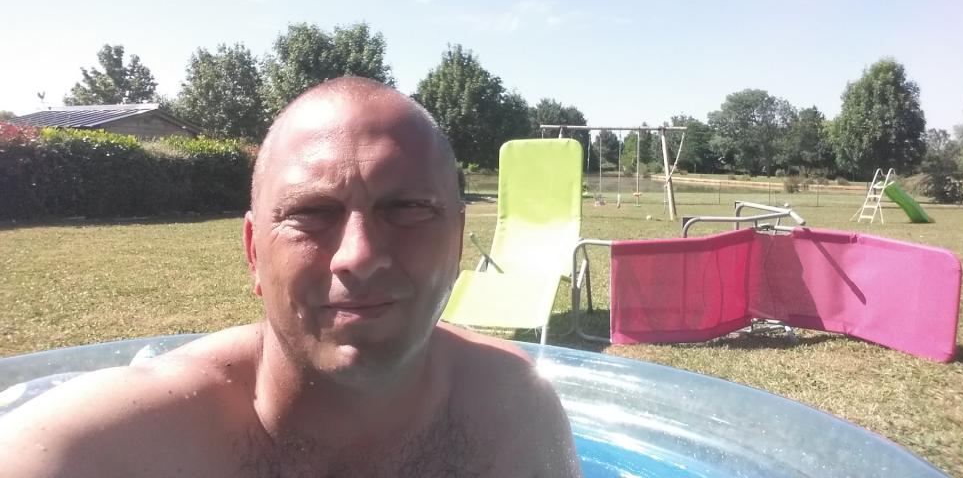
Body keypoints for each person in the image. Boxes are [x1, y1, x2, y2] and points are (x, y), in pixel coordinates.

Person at [0, 77, 581, 477]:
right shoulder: (108, 449)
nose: (358, 256)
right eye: (312, 213)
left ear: (456, 241)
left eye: (407, 208)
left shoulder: (515, 413)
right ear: (254, 250)